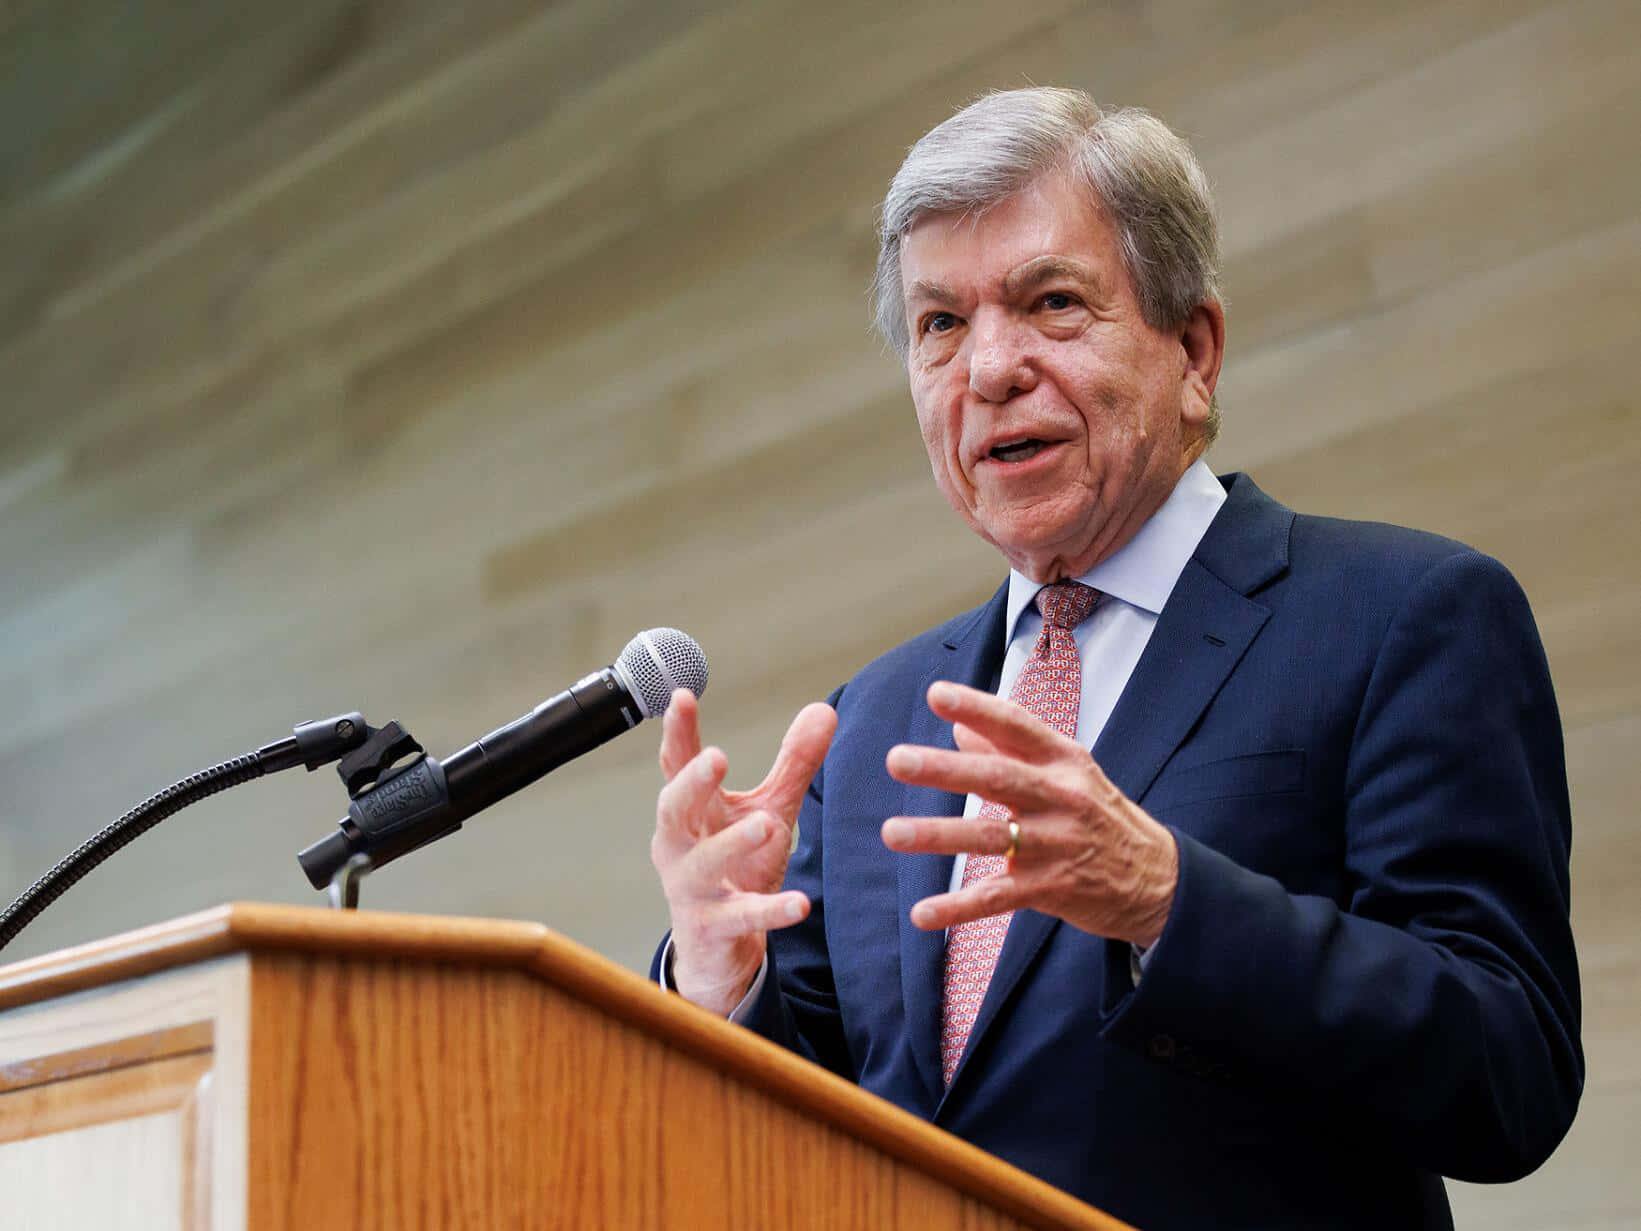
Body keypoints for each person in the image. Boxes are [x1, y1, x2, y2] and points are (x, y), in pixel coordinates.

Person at [647, 87, 1581, 1229]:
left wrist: (1168, 901)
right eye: (941, 324)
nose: (989, 367)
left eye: (1050, 302)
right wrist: (721, 977)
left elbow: (1510, 1070)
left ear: (1193, 348)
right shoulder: (872, 720)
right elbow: (805, 1128)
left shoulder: (1405, 617)